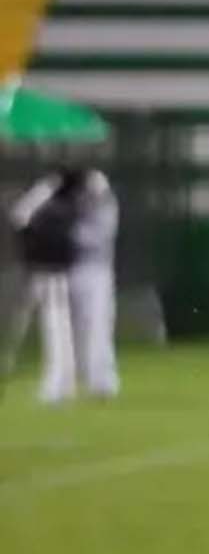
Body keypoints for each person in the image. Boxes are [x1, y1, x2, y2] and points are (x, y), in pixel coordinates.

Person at [9, 165, 118, 402]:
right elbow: (21, 215)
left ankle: (100, 381)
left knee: (96, 326)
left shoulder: (101, 205)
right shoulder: (57, 201)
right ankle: (61, 383)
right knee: (59, 330)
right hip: (59, 271)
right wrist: (46, 189)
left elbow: (95, 238)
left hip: (93, 270)